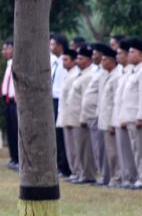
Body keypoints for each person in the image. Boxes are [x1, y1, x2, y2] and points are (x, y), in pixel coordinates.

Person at [118, 38, 142, 189]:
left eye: (132, 52)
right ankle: (141, 177)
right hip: (130, 117)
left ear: (141, 54)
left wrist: (141, 117)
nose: (129, 55)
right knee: (136, 150)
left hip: (138, 118)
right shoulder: (135, 71)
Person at [79, 44, 109, 185]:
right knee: (97, 148)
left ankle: (105, 176)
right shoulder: (97, 70)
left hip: (97, 115)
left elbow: (102, 96)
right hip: (91, 115)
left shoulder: (103, 72)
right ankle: (102, 175)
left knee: (101, 149)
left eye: (96, 53)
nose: (93, 56)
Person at [67, 45, 96, 183]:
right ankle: (81, 173)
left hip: (81, 117)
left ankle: (88, 175)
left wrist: (84, 118)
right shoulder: (81, 74)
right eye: (77, 58)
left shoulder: (89, 76)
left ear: (89, 60)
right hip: (74, 117)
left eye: (81, 58)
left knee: (85, 149)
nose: (77, 61)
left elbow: (87, 99)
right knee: (78, 148)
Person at [112, 39, 138, 188]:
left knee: (133, 151)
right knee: (123, 151)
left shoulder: (132, 71)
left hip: (130, 117)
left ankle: (133, 178)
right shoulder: (123, 72)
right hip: (120, 116)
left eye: (121, 53)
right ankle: (127, 177)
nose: (118, 56)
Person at [96, 43, 121, 187]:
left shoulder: (116, 76)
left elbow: (115, 102)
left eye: (104, 59)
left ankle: (116, 178)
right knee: (107, 152)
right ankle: (109, 177)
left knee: (113, 152)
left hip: (111, 120)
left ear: (112, 61)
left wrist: (112, 122)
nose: (102, 62)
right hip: (104, 119)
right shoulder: (106, 75)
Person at [56, 48, 80, 182]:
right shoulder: (68, 74)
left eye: (66, 60)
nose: (63, 63)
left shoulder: (76, 74)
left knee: (75, 147)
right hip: (64, 114)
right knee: (67, 146)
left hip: (72, 115)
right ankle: (73, 171)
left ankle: (76, 170)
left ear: (73, 61)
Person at [50, 33, 71, 177]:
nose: (50, 47)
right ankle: (58, 164)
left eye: (53, 44)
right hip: (53, 99)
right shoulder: (55, 62)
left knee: (61, 135)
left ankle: (65, 166)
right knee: (55, 135)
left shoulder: (65, 62)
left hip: (60, 100)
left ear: (60, 46)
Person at [0, 39, 17, 171]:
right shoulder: (9, 64)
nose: (4, 51)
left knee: (17, 131)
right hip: (8, 101)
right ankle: (14, 157)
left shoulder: (18, 63)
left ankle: (18, 158)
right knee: (11, 131)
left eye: (7, 48)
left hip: (16, 101)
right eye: (3, 49)